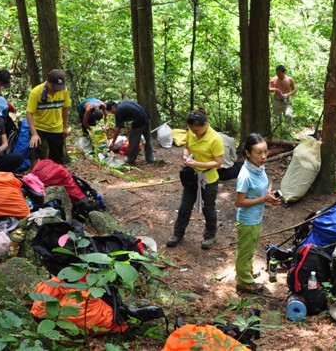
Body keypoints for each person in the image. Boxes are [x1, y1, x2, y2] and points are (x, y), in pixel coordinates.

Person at [166, 111, 224, 250]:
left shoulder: (215, 139)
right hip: (192, 177)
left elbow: (218, 163)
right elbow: (187, 147)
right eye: (192, 130)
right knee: (185, 207)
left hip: (208, 179)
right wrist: (186, 156)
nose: (195, 133)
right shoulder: (191, 133)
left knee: (208, 208)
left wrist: (198, 164)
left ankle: (210, 236)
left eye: (197, 130)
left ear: (205, 125)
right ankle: (177, 234)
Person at [234, 133, 281, 294]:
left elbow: (261, 190)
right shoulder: (245, 176)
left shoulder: (258, 167)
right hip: (248, 220)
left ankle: (245, 271)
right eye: (258, 152)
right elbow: (239, 202)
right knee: (245, 251)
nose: (263, 156)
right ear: (247, 153)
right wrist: (263, 199)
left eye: (265, 151)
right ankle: (244, 282)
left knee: (250, 248)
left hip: (256, 217)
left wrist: (270, 196)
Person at [26, 69, 71, 164]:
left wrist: (65, 127)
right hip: (39, 127)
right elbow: (29, 113)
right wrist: (34, 134)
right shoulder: (36, 92)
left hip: (56, 128)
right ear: (48, 81)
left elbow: (65, 108)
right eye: (54, 87)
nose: (56, 90)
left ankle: (53, 175)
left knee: (57, 157)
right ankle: (33, 174)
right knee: (34, 151)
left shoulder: (63, 91)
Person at [106, 100, 154, 166]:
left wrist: (113, 142)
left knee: (133, 141)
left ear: (113, 107)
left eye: (111, 111)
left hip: (139, 120)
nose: (113, 113)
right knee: (148, 139)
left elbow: (118, 128)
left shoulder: (118, 111)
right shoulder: (123, 104)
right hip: (146, 116)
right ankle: (150, 159)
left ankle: (131, 161)